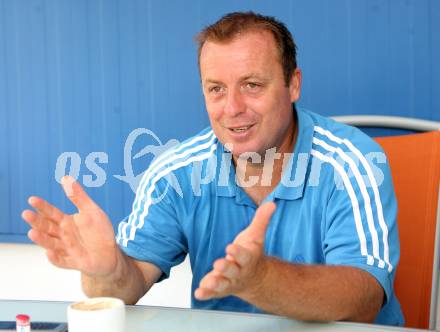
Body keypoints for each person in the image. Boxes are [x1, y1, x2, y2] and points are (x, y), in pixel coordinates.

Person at [22, 12, 403, 325]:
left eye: (252, 85)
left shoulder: (352, 161)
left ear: (293, 84)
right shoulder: (176, 172)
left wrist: (259, 278)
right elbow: (129, 283)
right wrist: (108, 273)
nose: (232, 108)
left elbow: (363, 298)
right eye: (216, 89)